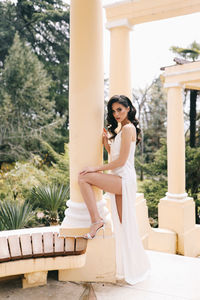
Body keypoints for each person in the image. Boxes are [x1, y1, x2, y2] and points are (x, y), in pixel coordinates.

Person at [78, 94, 151, 285]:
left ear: (128, 108)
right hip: (120, 178)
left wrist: (95, 167)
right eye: (113, 110)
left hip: (124, 179)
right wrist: (107, 146)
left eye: (120, 109)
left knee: (84, 178)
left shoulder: (128, 128)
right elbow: (116, 157)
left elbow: (121, 162)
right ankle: (132, 268)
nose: (116, 114)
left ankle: (96, 221)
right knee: (123, 224)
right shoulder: (123, 130)